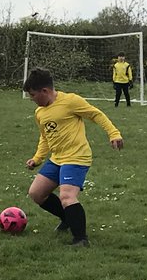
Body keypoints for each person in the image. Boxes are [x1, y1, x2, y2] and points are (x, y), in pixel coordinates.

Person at [23, 68, 124, 247]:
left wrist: (113, 133)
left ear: (45, 91)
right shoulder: (40, 112)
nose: (32, 99)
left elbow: (96, 114)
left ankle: (81, 239)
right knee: (36, 193)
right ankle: (68, 218)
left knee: (67, 196)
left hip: (76, 157)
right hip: (57, 158)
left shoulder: (70, 101)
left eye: (33, 95)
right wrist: (37, 158)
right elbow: (45, 137)